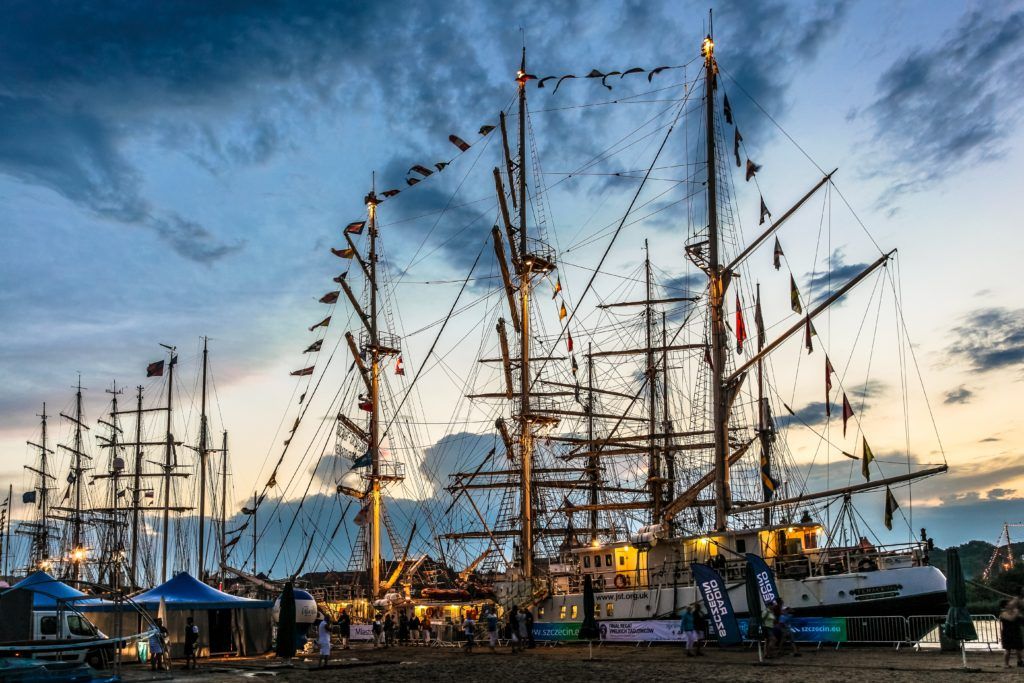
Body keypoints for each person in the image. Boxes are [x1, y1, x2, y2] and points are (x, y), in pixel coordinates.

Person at [999, 599, 1024, 668]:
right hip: (1007, 633)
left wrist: (1019, 614)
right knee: (1008, 649)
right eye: (1009, 604)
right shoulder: (1003, 613)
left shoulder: (1014, 612)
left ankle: (1020, 662)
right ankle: (1006, 664)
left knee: (1019, 648)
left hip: (1016, 632)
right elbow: (1011, 619)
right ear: (1005, 606)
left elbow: (1021, 620)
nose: (1011, 605)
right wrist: (1016, 612)